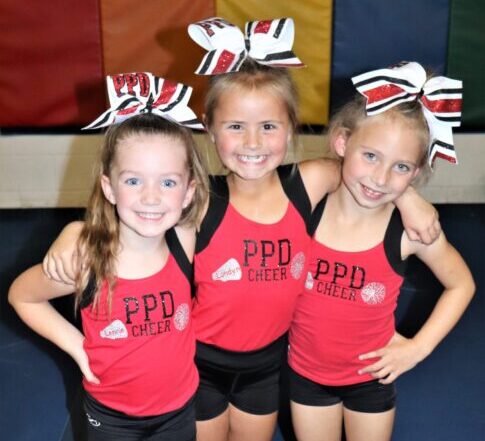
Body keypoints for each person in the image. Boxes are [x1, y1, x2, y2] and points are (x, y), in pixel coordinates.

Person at [42, 21, 440, 441]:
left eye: (269, 126)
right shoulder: (198, 204)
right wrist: (75, 231)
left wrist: (408, 197)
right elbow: (137, 219)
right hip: (201, 367)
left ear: (290, 129)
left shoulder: (308, 183)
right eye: (235, 127)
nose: (253, 142)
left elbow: (368, 172)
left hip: (265, 369)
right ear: (210, 130)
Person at [8, 72, 209, 441]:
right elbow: (22, 295)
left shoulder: (185, 239)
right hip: (111, 418)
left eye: (167, 182)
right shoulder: (87, 259)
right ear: (109, 187)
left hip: (179, 410)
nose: (151, 197)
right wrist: (77, 347)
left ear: (188, 192)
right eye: (134, 181)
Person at [287, 61, 475, 441]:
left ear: (417, 172)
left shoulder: (408, 232)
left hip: (371, 378)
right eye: (370, 156)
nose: (381, 178)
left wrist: (418, 348)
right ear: (342, 142)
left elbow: (462, 285)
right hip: (306, 376)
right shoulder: (306, 206)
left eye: (401, 167)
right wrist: (406, 193)